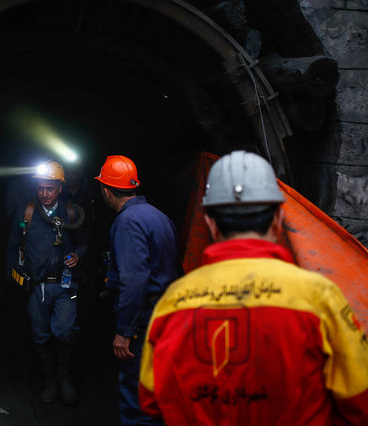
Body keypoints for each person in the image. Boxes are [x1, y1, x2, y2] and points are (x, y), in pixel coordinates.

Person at [139, 150, 368, 424]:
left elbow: (151, 401)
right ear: (277, 220)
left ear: (210, 223)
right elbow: (360, 402)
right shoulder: (319, 298)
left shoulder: (172, 303)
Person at [95, 155, 178, 426]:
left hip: (144, 318)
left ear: (106, 190)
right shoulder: (159, 216)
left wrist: (124, 331)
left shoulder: (127, 222)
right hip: (167, 314)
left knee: (137, 394)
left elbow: (134, 281)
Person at [7, 159, 87, 405]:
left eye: (50, 188)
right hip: (36, 287)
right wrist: (16, 276)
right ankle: (50, 380)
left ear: (60, 188)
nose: (44, 193)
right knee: (40, 335)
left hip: (64, 286)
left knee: (64, 332)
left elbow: (85, 243)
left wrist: (77, 256)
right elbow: (12, 247)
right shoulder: (26, 212)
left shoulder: (71, 213)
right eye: (41, 188)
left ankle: (64, 378)